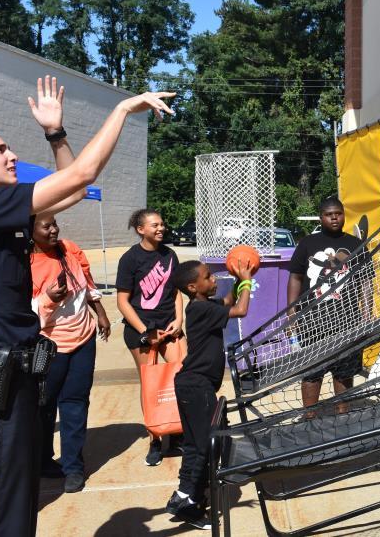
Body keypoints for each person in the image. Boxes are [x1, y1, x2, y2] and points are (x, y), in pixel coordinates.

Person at [0, 74, 173, 537]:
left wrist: (56, 134)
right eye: (0, 149)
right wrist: (121, 110)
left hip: (16, 377)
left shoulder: (0, 211)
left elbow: (74, 191)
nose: (12, 155)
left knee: (17, 503)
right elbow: (81, 175)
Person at [165, 259, 253, 530]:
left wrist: (237, 281)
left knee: (194, 444)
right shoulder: (201, 308)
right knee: (206, 446)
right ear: (193, 287)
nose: (213, 280)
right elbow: (240, 309)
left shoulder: (203, 305)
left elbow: (228, 301)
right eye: (207, 277)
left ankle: (184, 494)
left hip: (192, 386)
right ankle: (190, 503)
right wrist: (247, 282)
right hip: (197, 385)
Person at [30, 213, 111, 493]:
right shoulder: (24, 263)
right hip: (48, 344)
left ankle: (73, 466)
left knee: (75, 403)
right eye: (46, 226)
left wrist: (100, 313)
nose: (54, 230)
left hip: (83, 339)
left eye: (55, 224)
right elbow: (23, 312)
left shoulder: (70, 249)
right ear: (30, 231)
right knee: (44, 405)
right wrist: (48, 299)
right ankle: (42, 460)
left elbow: (87, 285)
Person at [115, 208, 184, 466]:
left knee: (182, 376)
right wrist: (145, 331)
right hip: (141, 329)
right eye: (154, 225)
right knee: (151, 385)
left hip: (169, 326)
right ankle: (155, 439)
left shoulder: (170, 254)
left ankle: (177, 434)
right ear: (140, 229)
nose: (160, 228)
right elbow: (123, 302)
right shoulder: (130, 259)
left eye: (162, 224)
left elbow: (176, 291)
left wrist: (179, 320)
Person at [287, 195, 369, 411]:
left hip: (348, 319)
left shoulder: (356, 244)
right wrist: (291, 313)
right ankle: (309, 417)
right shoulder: (307, 243)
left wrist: (367, 313)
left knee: (344, 372)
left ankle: (342, 415)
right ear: (320, 217)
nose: (334, 218)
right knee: (312, 373)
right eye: (329, 214)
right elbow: (295, 278)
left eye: (338, 214)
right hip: (312, 321)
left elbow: (366, 281)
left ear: (344, 215)